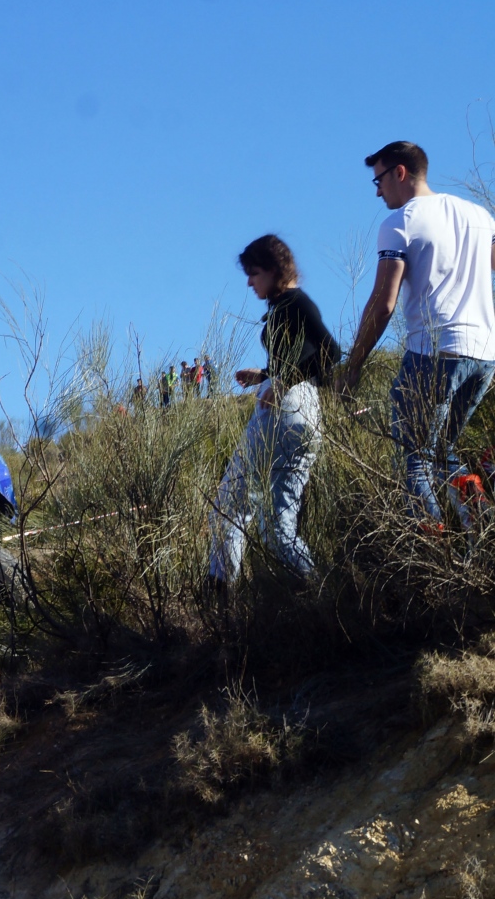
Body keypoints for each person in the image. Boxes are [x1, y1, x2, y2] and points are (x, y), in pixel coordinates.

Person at [337, 141, 495, 522]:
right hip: (485, 355)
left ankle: (429, 548)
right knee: (441, 452)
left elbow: (383, 302)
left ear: (400, 173)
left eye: (378, 180)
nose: (377, 190)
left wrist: (353, 364)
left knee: (413, 458)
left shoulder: (400, 222)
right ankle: (482, 524)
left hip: (434, 352)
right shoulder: (480, 216)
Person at [209, 234, 339, 585]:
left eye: (254, 273)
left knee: (229, 507)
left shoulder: (294, 302)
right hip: (304, 411)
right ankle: (319, 599)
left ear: (273, 270)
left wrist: (282, 382)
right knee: (277, 527)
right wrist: (265, 375)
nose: (250, 282)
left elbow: (330, 352)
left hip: (284, 411)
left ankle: (219, 599)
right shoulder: (288, 305)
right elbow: (309, 356)